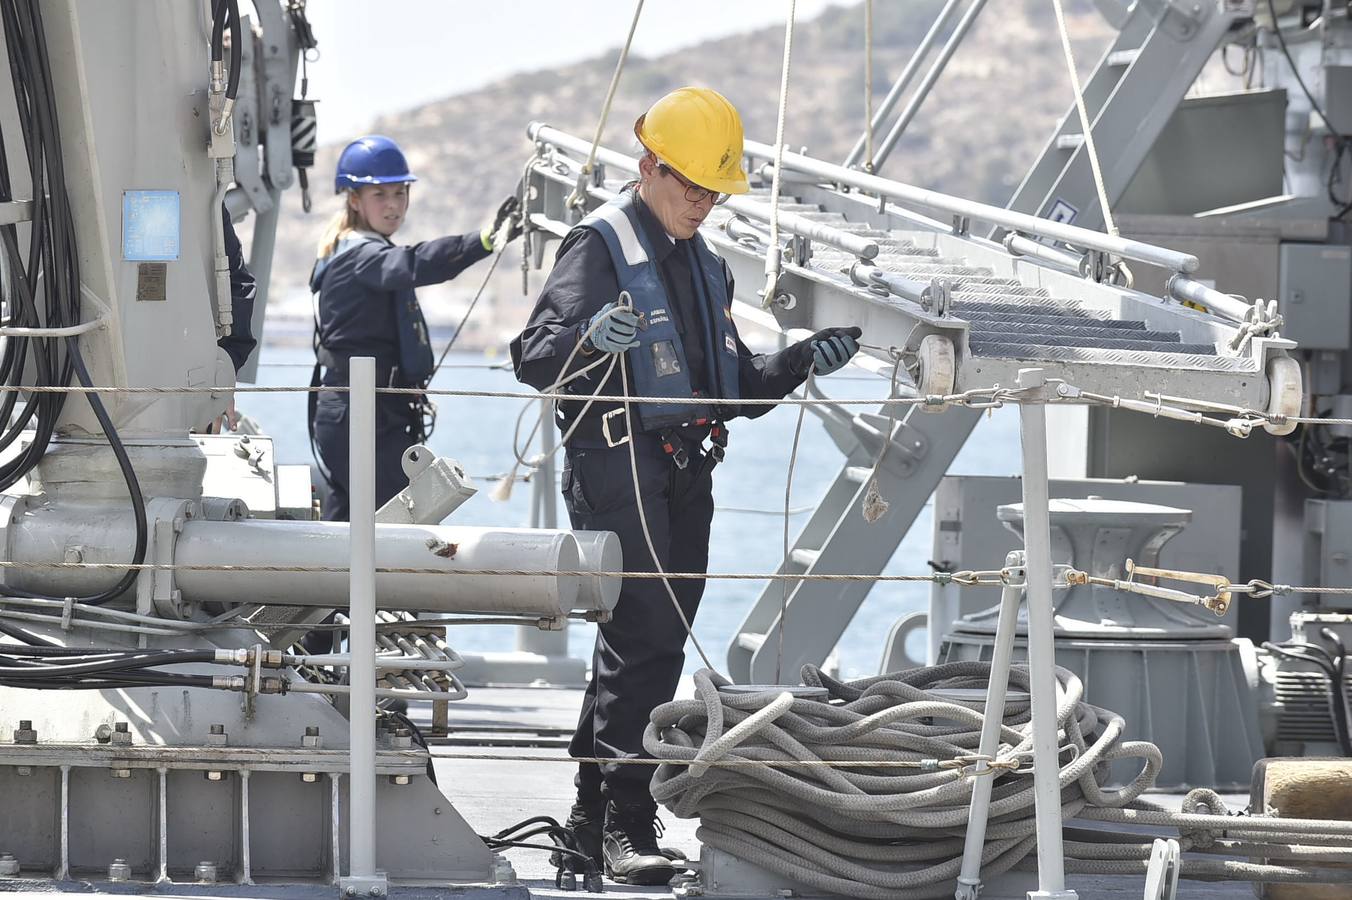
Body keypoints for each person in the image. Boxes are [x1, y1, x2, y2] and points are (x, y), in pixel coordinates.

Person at [510, 87, 862, 885]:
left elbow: (733, 387)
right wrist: (587, 338)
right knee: (650, 640)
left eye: (713, 191)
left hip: (685, 468)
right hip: (616, 466)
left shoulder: (707, 268)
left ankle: (590, 815)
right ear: (648, 168)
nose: (702, 204)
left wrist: (799, 360)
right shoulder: (599, 247)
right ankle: (625, 820)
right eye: (690, 186)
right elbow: (532, 356)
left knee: (641, 646)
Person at [309, 134, 520, 521]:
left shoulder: (358, 250)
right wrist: (485, 240)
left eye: (400, 194)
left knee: (350, 524)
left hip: (369, 411)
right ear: (354, 200)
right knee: (391, 523)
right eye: (380, 195)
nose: (393, 206)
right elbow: (416, 263)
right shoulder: (363, 257)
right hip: (361, 415)